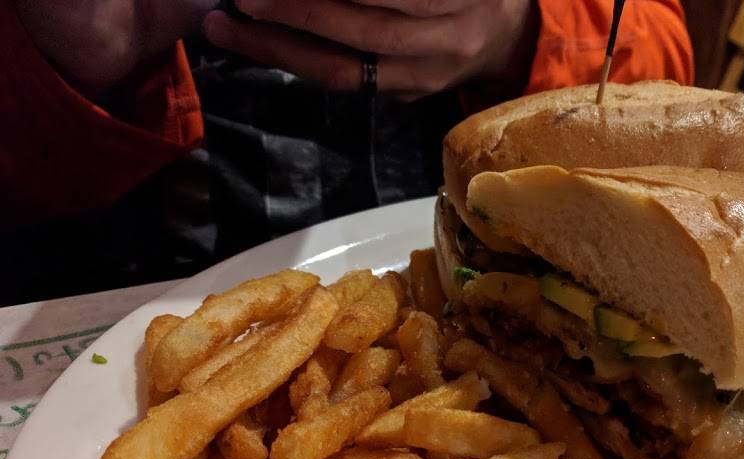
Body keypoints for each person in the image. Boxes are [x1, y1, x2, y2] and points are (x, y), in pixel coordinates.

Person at [0, 1, 693, 304]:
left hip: (482, 284)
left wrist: (521, 32)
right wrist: (59, 65)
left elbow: (667, 83)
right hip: (103, 303)